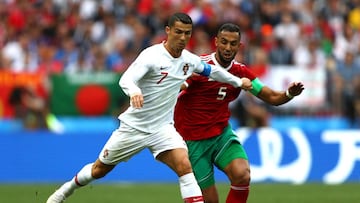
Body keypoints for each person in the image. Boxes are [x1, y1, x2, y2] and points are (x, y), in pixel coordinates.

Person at [46, 13, 253, 203]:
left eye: (187, 34)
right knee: (99, 170)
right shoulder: (152, 56)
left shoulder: (189, 60)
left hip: (163, 129)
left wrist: (237, 81)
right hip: (134, 128)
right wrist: (134, 91)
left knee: (184, 167)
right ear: (168, 31)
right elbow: (126, 79)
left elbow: (213, 71)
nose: (182, 37)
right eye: (178, 32)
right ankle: (64, 191)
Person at [174, 23, 305, 203]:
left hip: (221, 135)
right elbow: (177, 87)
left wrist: (289, 93)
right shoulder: (199, 66)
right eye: (224, 42)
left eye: (233, 43)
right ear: (216, 42)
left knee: (242, 175)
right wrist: (181, 83)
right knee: (210, 201)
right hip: (193, 141)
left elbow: (272, 97)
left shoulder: (240, 72)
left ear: (239, 46)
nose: (228, 48)